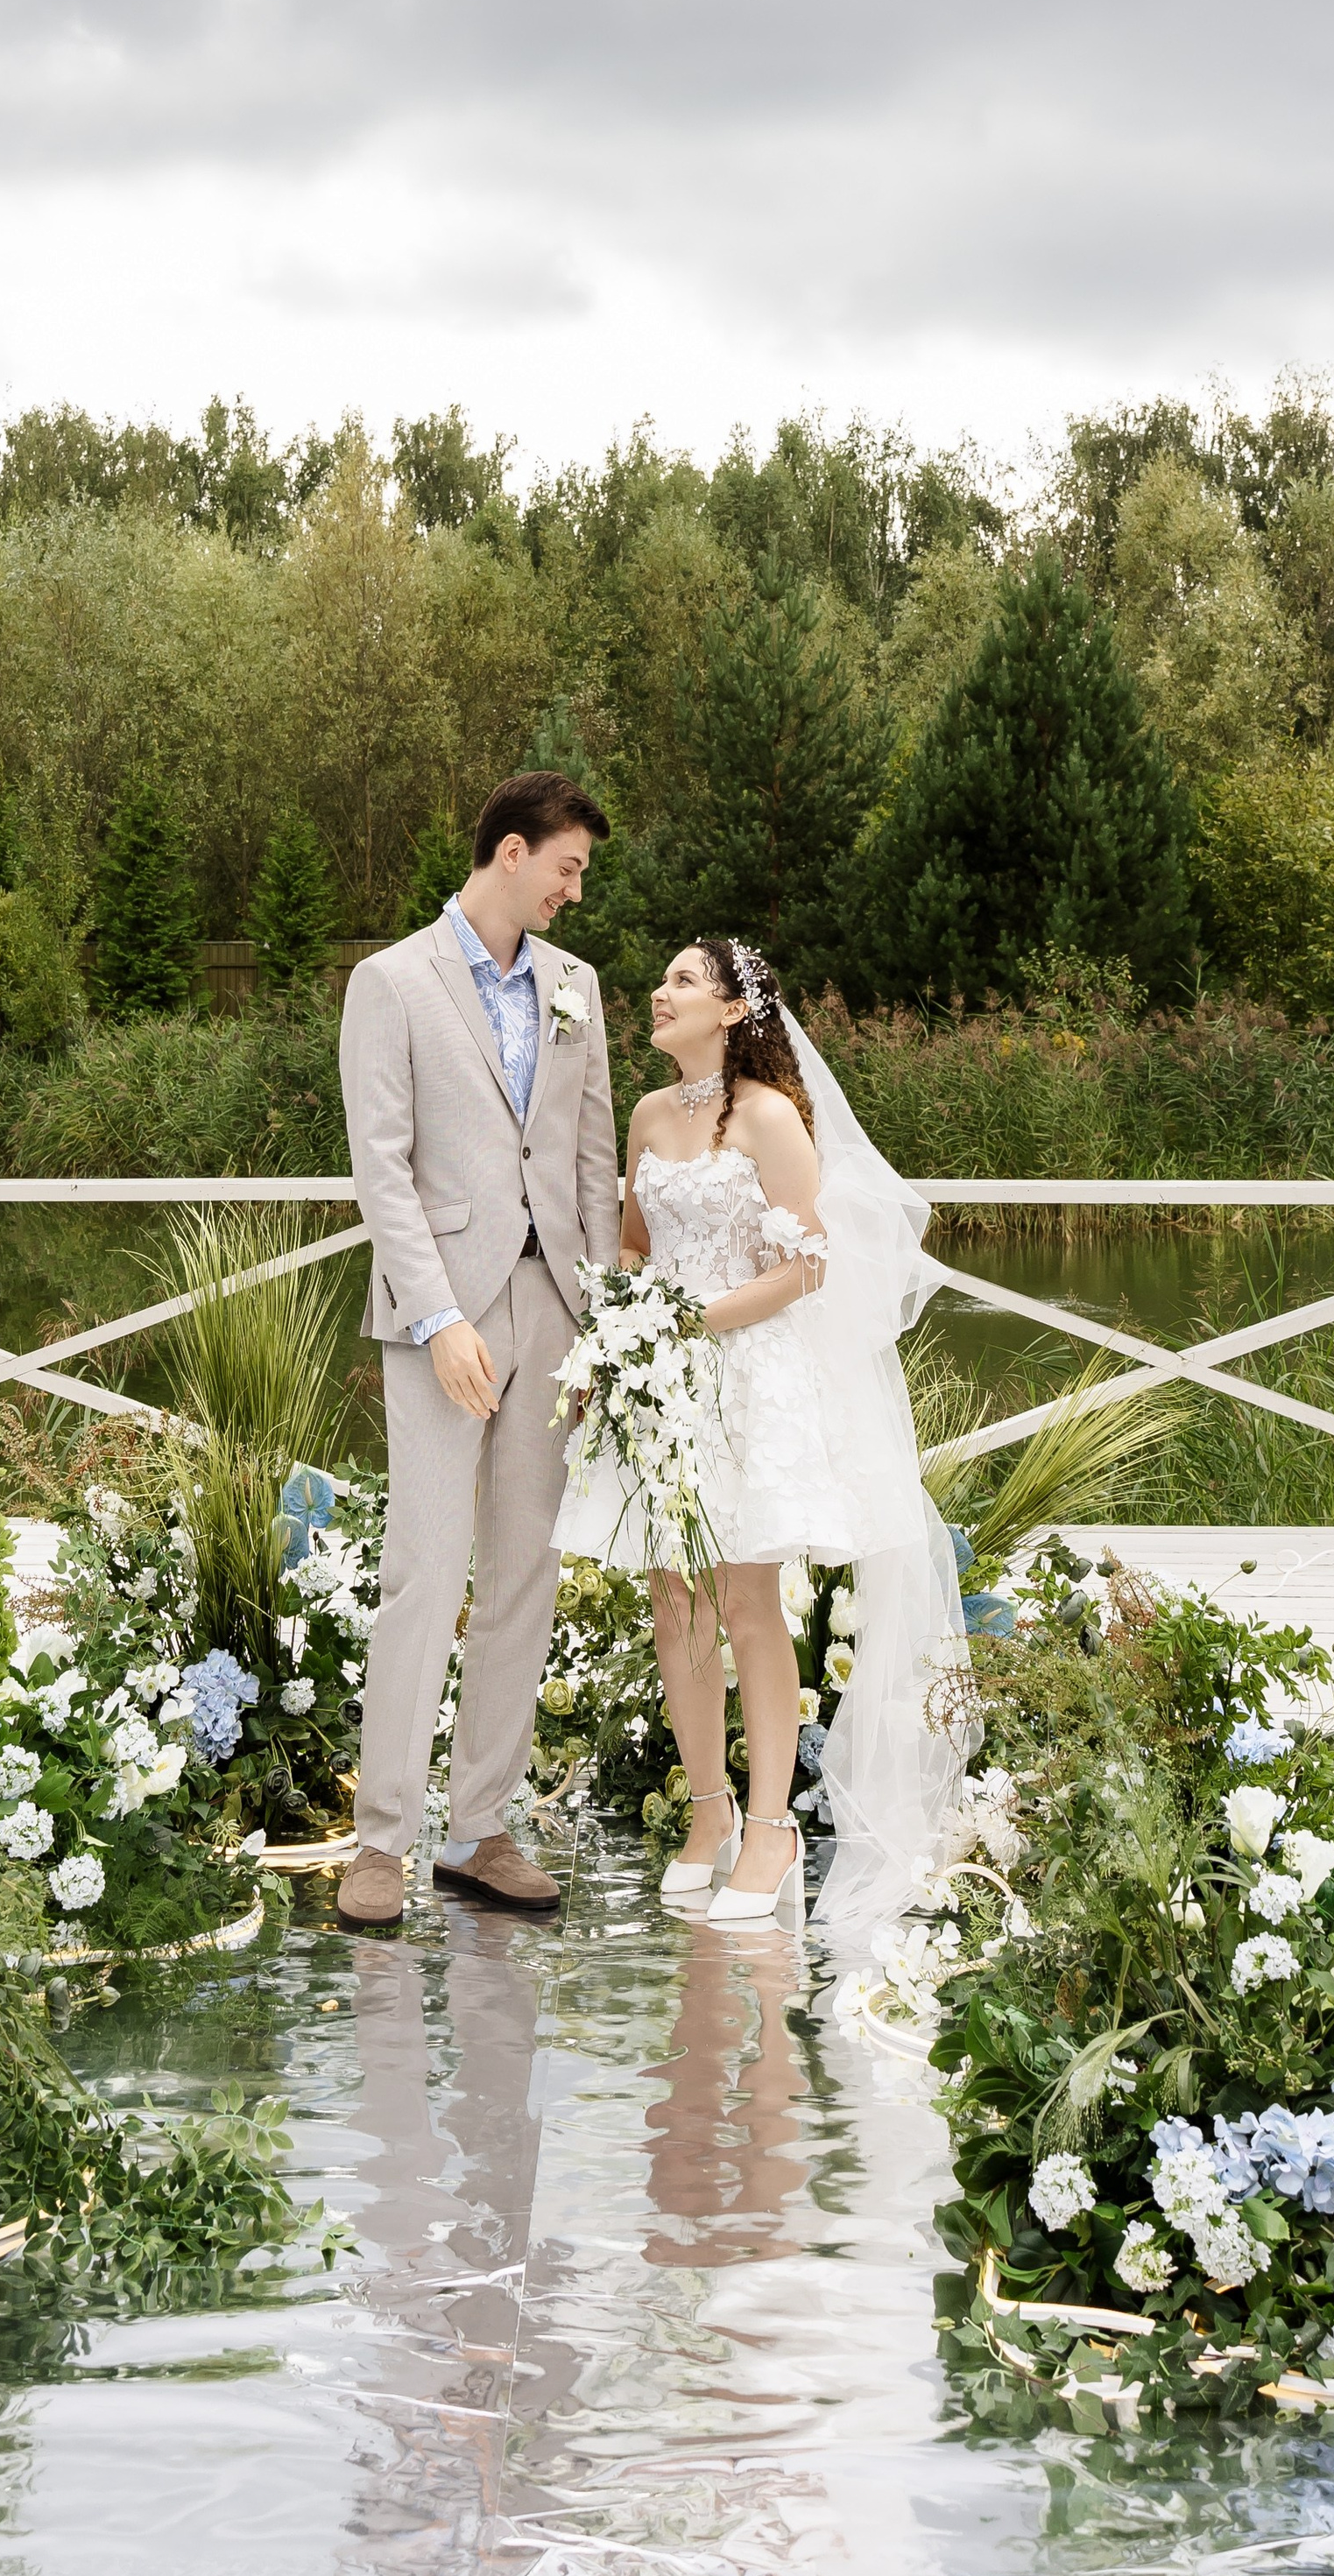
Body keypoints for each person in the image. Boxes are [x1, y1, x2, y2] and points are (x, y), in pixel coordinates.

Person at [552, 937, 965, 1932]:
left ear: (734, 1011)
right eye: (664, 981)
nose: (660, 993)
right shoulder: (649, 1116)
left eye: (683, 982)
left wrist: (694, 1321)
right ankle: (708, 1813)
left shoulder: (772, 1116)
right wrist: (617, 1340)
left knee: (745, 1599)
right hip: (661, 1384)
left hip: (747, 1374)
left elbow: (809, 1263)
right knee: (671, 1594)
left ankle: (774, 1827)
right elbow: (635, 1246)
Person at [335, 769, 620, 1931]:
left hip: (554, 1307)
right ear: (512, 852)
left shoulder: (577, 989)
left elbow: (594, 1161)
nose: (576, 891)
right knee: (423, 1570)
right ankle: (380, 1841)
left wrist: (603, 1322)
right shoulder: (389, 982)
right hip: (440, 1311)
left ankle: (481, 1828)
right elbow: (381, 1169)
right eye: (569, 867)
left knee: (523, 1578)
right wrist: (439, 1318)